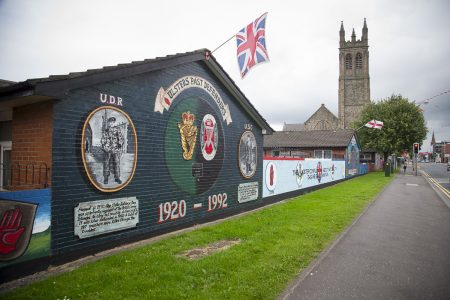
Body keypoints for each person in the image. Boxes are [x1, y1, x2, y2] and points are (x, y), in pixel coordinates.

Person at [101, 117, 124, 185]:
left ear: (114, 123)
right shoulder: (106, 130)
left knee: (116, 163)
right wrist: (104, 145)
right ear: (109, 123)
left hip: (115, 149)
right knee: (106, 163)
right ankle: (106, 178)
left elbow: (121, 138)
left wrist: (120, 144)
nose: (111, 123)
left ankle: (117, 178)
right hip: (107, 149)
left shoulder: (117, 129)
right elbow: (103, 138)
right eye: (110, 122)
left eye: (113, 122)